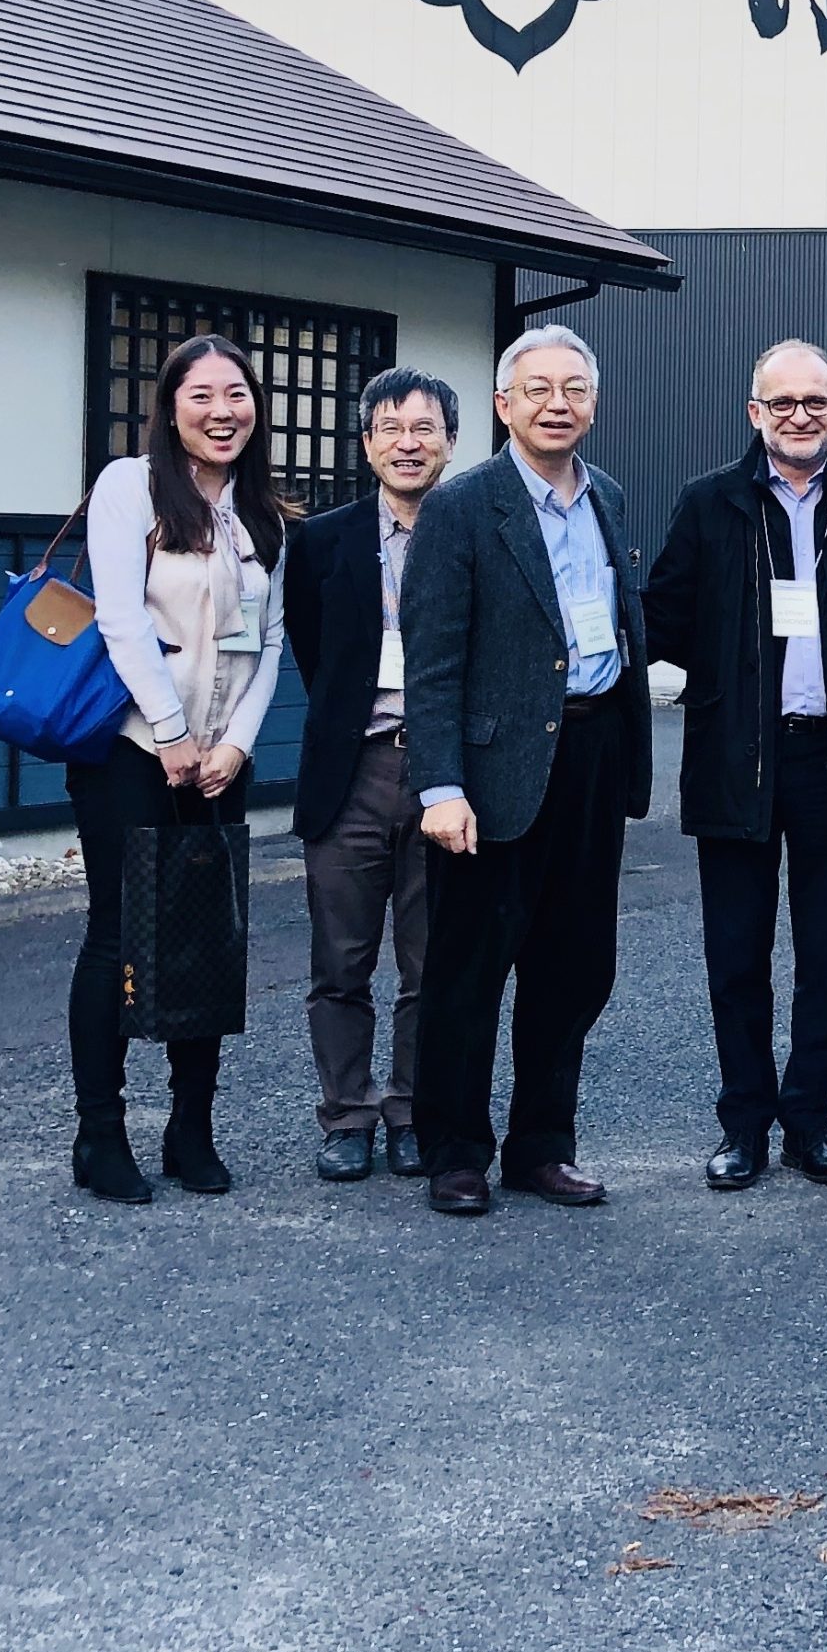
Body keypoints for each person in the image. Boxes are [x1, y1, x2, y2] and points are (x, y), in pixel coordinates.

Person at [645, 340, 827, 1193]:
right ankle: (744, 1124)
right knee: (737, 956)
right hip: (738, 757)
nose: (800, 416)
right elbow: (663, 618)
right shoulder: (710, 502)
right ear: (754, 412)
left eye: (816, 402)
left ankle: (808, 1119)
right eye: (783, 402)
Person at [403, 325, 651, 1217]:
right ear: (504, 404)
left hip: (590, 753)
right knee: (468, 971)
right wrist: (440, 786)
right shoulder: (462, 507)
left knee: (574, 967)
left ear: (594, 403)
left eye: (574, 388)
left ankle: (543, 1146)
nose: (558, 404)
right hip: (491, 769)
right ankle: (455, 1151)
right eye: (538, 388)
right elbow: (432, 660)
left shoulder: (607, 496)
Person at [66, 334, 292, 1204]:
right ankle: (100, 1134)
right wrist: (169, 731)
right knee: (117, 935)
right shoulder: (130, 486)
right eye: (201, 395)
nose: (222, 412)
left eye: (237, 395)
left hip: (219, 761)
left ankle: (190, 1129)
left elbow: (266, 643)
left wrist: (235, 744)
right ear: (169, 407)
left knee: (207, 937)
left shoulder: (262, 513)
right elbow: (122, 619)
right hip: (132, 752)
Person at [281, 366, 458, 1184]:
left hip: (446, 774)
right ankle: (346, 1115)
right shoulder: (322, 540)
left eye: (424, 429)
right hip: (352, 768)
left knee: (433, 960)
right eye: (390, 428)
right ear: (366, 443)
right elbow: (313, 650)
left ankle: (414, 1110)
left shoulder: (470, 528)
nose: (407, 444)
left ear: (450, 442)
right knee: (340, 961)